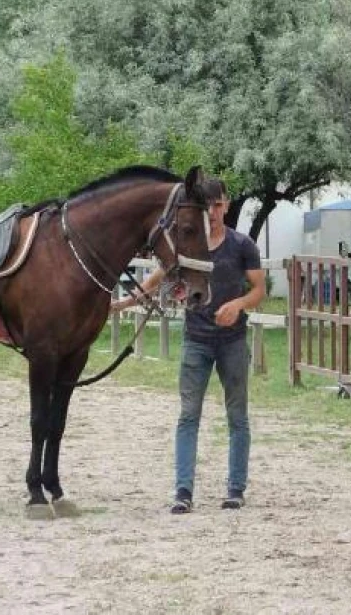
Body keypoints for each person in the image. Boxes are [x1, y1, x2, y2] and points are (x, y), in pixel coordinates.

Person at [112, 179, 265, 513]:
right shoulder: (189, 245)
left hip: (233, 341)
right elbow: (158, 276)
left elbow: (258, 290)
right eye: (206, 206)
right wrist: (125, 303)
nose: (211, 213)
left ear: (226, 205)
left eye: (217, 205)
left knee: (237, 415)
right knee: (188, 415)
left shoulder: (242, 245)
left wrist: (238, 305)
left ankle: (235, 488)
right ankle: (183, 491)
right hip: (196, 339)